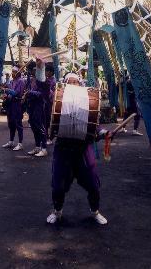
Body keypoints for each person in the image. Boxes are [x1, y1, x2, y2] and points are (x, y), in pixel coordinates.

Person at [47, 72, 108, 226]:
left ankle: (95, 211)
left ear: (80, 85)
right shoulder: (57, 99)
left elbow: (95, 125)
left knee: (93, 185)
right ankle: (57, 211)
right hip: (63, 149)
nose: (72, 84)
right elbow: (43, 88)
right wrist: (41, 71)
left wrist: (103, 133)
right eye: (69, 82)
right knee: (58, 186)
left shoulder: (88, 102)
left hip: (83, 149)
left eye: (75, 82)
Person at [25, 57, 50, 157]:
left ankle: (44, 148)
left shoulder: (46, 82)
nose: (34, 72)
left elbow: (42, 95)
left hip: (40, 107)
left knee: (40, 127)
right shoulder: (31, 81)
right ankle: (37, 147)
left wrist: (29, 93)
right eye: (34, 70)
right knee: (34, 127)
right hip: (32, 106)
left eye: (37, 69)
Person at [2, 65, 25, 151]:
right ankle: (11, 141)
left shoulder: (21, 81)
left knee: (18, 123)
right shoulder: (11, 82)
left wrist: (7, 91)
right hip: (10, 105)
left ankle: (20, 143)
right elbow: (10, 93)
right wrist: (6, 95)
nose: (13, 73)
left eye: (14, 72)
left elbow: (17, 93)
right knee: (11, 124)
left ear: (19, 73)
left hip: (17, 104)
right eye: (12, 71)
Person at [45, 64, 56, 145]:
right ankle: (46, 137)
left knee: (49, 121)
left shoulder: (53, 81)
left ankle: (50, 138)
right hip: (45, 102)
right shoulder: (47, 79)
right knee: (45, 121)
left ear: (51, 72)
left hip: (50, 103)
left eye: (47, 71)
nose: (45, 72)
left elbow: (53, 93)